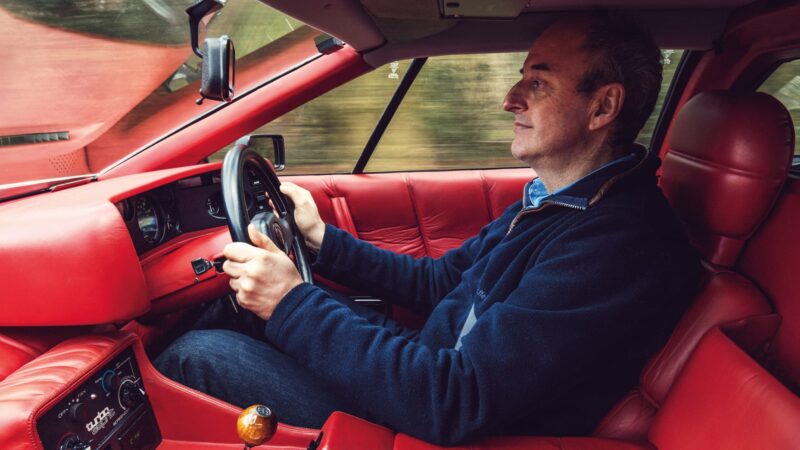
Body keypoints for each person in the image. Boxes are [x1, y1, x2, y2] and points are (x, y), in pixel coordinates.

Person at [155, 12, 699, 446]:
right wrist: (323, 241)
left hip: (426, 423)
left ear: (603, 106)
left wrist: (292, 303)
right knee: (234, 313)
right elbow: (440, 285)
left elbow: (454, 402)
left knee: (196, 355)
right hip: (422, 373)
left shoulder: (619, 245)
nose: (511, 99)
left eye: (538, 83)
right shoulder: (556, 203)